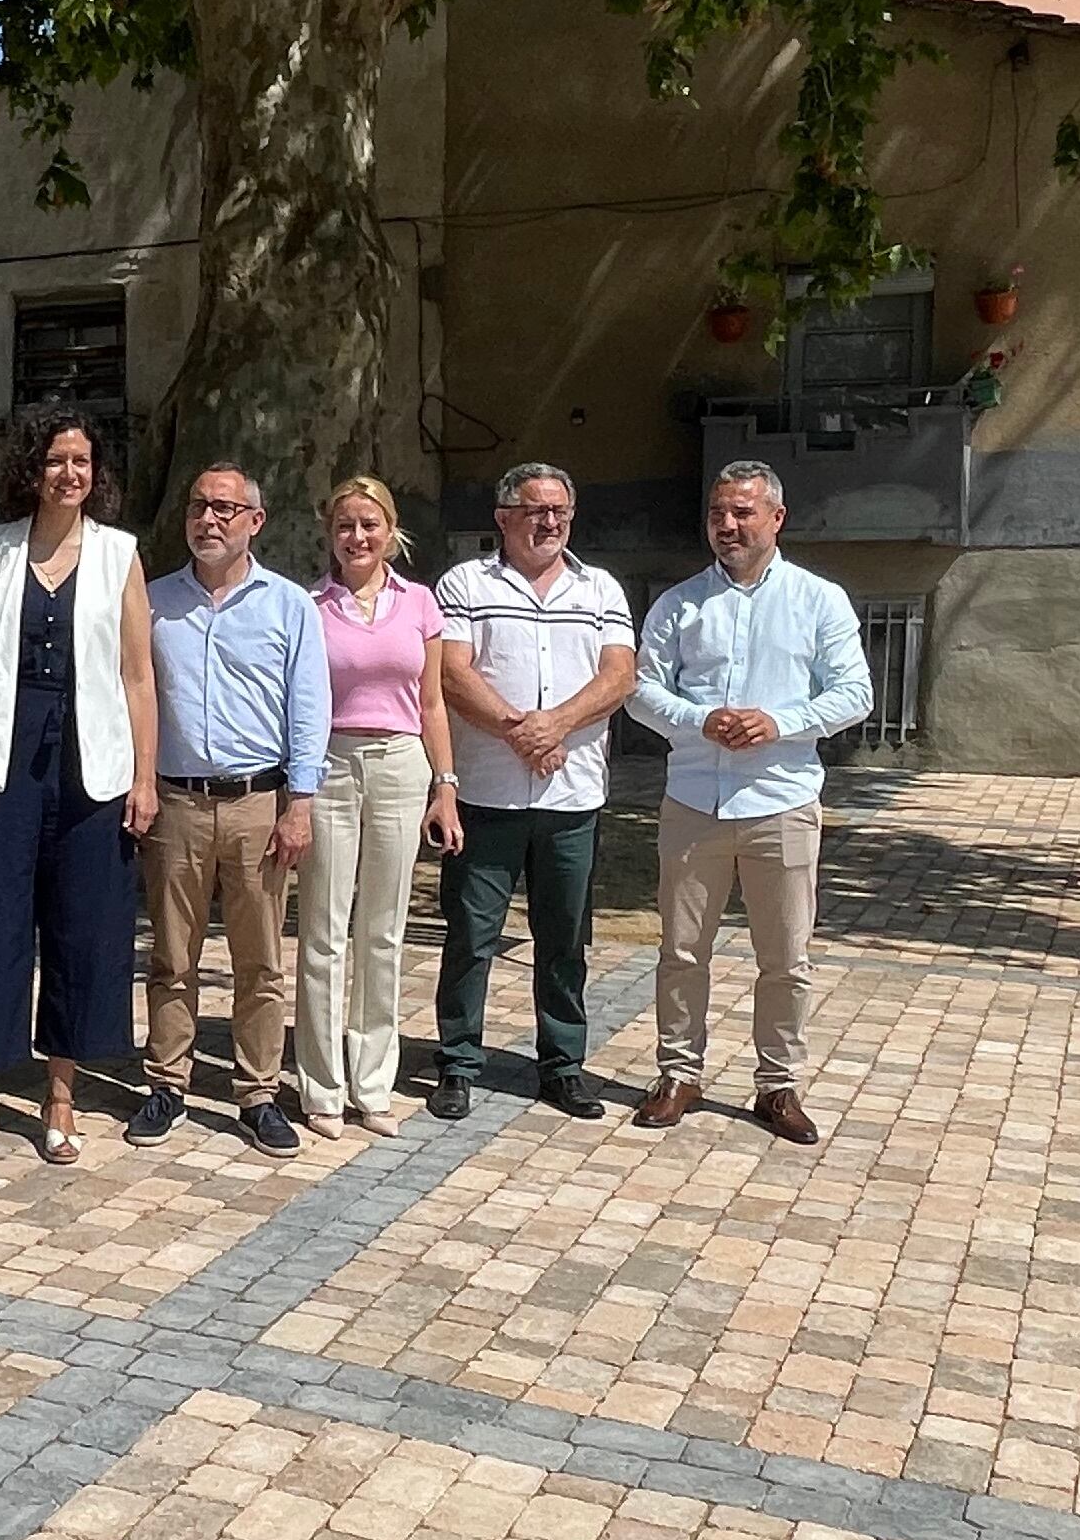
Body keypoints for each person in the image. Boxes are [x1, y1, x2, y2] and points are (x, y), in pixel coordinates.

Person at [0, 406, 155, 1164]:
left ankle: (61, 1093)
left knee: (82, 931)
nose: (70, 474)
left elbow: (137, 676)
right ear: (33, 469)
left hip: (93, 767)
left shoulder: (120, 554)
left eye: (82, 461)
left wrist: (145, 777)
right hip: (1, 763)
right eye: (57, 460)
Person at [631, 460, 873, 1145]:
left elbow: (855, 693)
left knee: (786, 958)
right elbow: (641, 690)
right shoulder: (680, 603)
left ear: (776, 518)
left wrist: (779, 722)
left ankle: (778, 1085)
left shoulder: (818, 600)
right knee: (682, 951)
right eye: (718, 514)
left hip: (781, 801)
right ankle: (678, 1074)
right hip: (694, 801)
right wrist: (698, 719)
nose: (727, 526)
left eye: (742, 513)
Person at [130, 464, 329, 1159]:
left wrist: (300, 803)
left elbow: (309, 708)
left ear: (255, 521)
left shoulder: (289, 605)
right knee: (170, 954)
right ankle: (167, 1082)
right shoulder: (152, 602)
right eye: (197, 506)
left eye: (224, 508)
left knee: (261, 961)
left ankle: (258, 1092)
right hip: (176, 802)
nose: (207, 520)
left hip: (258, 805)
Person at [430, 462, 639, 1120]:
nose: (549, 522)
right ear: (503, 517)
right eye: (535, 511)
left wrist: (556, 725)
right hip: (486, 794)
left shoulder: (600, 588)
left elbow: (620, 676)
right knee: (470, 937)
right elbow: (453, 674)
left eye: (560, 512)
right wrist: (520, 731)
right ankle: (458, 1062)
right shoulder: (465, 583)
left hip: (571, 797)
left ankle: (563, 1065)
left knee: (564, 942)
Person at [294, 476, 460, 1134]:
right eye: (345, 526)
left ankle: (373, 1084)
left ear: (391, 530)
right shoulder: (309, 606)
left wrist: (445, 786)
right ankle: (321, 1088)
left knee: (384, 932)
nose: (357, 537)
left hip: (400, 764)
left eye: (369, 525)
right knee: (323, 932)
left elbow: (433, 703)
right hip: (331, 763)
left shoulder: (420, 603)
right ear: (329, 533)